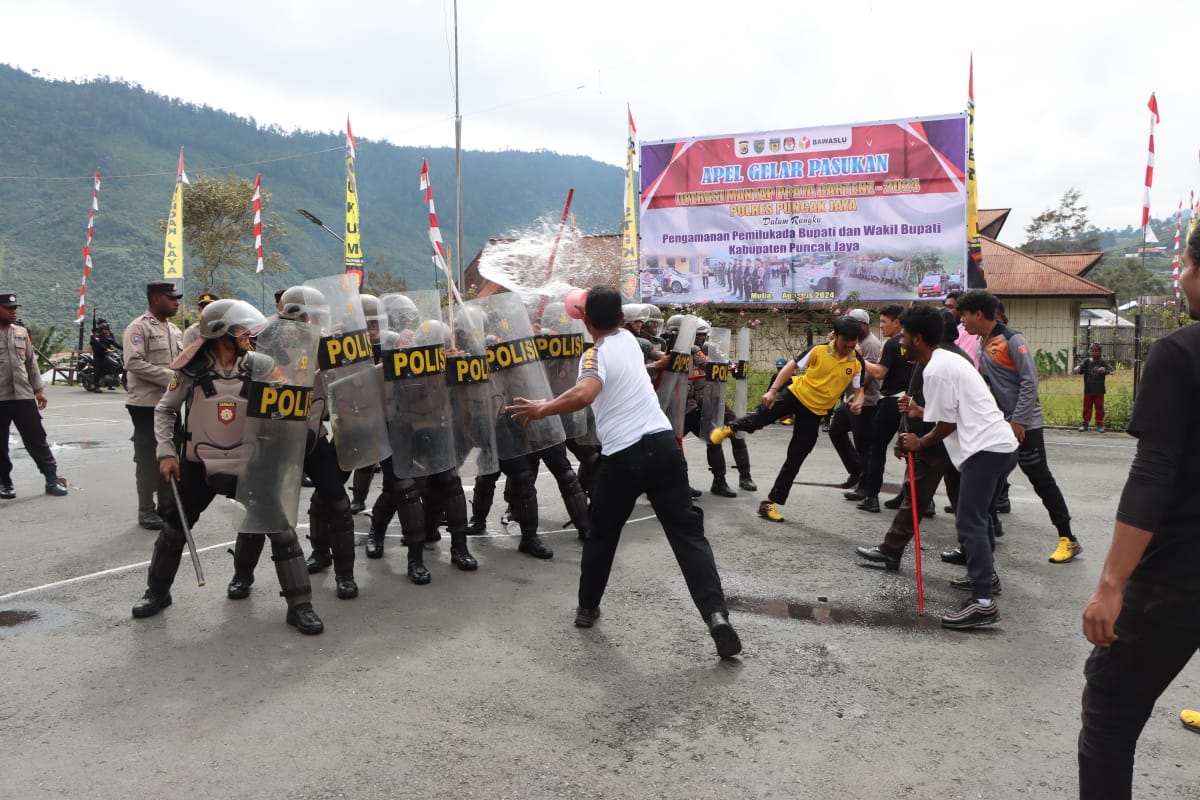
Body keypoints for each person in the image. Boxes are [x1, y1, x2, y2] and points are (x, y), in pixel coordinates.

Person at [507, 286, 741, 660]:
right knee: (688, 536)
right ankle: (716, 615)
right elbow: (614, 374)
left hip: (624, 456)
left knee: (602, 533)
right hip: (664, 447)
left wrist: (543, 409)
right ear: (621, 318)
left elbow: (585, 393)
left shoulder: (594, 354)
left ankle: (587, 608)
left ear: (584, 320)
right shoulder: (631, 340)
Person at [1077, 225, 1200, 793]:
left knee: (1111, 711)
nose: (1180, 277)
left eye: (1184, 264)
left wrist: (1111, 583)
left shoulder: (1182, 353)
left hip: (1177, 579)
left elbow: (1153, 473)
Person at [131, 299, 323, 634]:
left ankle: (300, 606)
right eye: (241, 330)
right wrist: (166, 453)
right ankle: (157, 593)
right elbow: (164, 411)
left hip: (251, 464)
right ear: (222, 334)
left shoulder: (263, 366)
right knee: (175, 530)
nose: (249, 335)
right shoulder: (188, 372)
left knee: (280, 531)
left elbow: (287, 407)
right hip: (197, 466)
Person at [895, 304, 1017, 630]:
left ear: (917, 337)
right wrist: (919, 411)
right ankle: (986, 580)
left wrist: (918, 443)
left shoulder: (936, 368)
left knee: (970, 520)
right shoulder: (944, 361)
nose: (899, 340)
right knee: (979, 518)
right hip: (997, 446)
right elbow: (948, 413)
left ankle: (983, 604)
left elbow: (946, 424)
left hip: (986, 449)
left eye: (903, 335)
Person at [956, 289, 1081, 564]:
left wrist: (1019, 422)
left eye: (964, 315)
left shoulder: (1013, 340)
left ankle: (1068, 538)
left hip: (1024, 425)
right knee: (992, 482)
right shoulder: (980, 342)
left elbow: (1029, 382)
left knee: (1041, 480)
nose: (962, 321)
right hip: (1000, 425)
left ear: (978, 314)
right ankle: (982, 541)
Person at [711, 316, 863, 523]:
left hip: (816, 412)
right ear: (835, 336)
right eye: (846, 341)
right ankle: (730, 428)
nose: (850, 346)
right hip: (795, 396)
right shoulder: (818, 350)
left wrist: (857, 401)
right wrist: (773, 391)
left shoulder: (856, 361)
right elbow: (791, 367)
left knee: (795, 459)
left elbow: (858, 389)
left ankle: (769, 503)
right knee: (760, 418)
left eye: (854, 341)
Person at [123, 280, 183, 530]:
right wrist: (171, 378)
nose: (176, 303)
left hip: (170, 405)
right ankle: (146, 510)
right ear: (156, 299)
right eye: (172, 298)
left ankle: (167, 507)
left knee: (171, 454)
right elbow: (133, 362)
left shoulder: (175, 331)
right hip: (146, 405)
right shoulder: (138, 328)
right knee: (148, 459)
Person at [0, 292, 69, 499]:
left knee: (37, 439)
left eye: (15, 308)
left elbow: (31, 363)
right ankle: (5, 483)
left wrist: (39, 390)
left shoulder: (21, 333)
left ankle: (51, 479)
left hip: (23, 396)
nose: (14, 312)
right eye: (8, 308)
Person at [847, 304, 913, 514]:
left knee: (877, 448)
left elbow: (880, 373)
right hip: (913, 402)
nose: (881, 326)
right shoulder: (916, 343)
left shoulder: (893, 344)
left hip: (891, 401)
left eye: (884, 322)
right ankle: (916, 498)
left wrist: (860, 360)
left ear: (897, 322)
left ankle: (872, 496)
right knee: (913, 450)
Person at [829, 308, 881, 492]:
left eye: (855, 325)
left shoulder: (871, 343)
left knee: (863, 445)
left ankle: (864, 485)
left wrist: (857, 395)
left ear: (864, 326)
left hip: (865, 402)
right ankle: (856, 470)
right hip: (848, 398)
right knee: (836, 431)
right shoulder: (852, 340)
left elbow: (869, 373)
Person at [1074, 343, 1112, 433]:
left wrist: (1104, 370)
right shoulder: (1086, 361)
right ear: (1090, 351)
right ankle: (1085, 424)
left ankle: (1099, 424)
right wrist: (1077, 368)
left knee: (1099, 407)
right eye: (1092, 351)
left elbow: (1110, 371)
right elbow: (1080, 369)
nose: (1094, 352)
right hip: (1088, 389)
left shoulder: (1102, 362)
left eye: (1096, 351)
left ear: (1100, 352)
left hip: (1099, 390)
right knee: (1087, 407)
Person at [88, 319, 122, 387]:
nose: (107, 330)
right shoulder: (95, 335)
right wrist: (106, 349)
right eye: (105, 329)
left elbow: (114, 342)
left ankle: (110, 382)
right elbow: (98, 343)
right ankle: (96, 386)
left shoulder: (107, 335)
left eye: (107, 328)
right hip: (99, 354)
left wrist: (123, 348)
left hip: (107, 354)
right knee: (98, 368)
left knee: (112, 365)